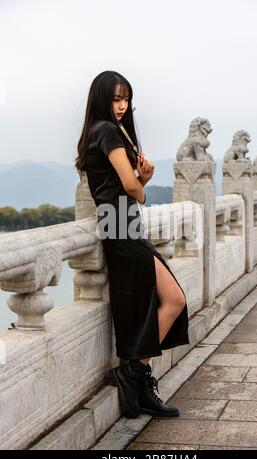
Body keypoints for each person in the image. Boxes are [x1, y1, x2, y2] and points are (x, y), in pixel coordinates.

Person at [75, 70, 189, 419]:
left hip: (120, 227)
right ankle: (133, 374)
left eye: (126, 99)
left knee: (147, 305)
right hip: (122, 229)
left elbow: (124, 188)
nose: (122, 106)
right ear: (101, 99)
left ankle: (137, 380)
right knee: (174, 299)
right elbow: (133, 190)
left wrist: (139, 180)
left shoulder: (100, 132)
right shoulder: (107, 131)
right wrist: (143, 181)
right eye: (115, 98)